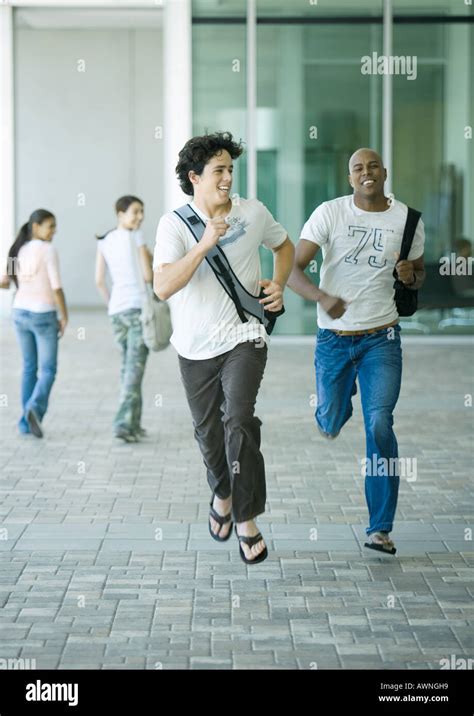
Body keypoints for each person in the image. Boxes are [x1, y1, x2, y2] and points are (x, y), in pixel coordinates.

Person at [153, 132, 294, 564]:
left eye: (231, 169)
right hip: (195, 346)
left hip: (245, 337)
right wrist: (204, 245)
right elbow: (162, 287)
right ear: (195, 177)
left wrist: (280, 283)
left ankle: (247, 518)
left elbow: (284, 246)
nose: (228, 177)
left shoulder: (253, 212)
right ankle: (221, 492)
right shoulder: (174, 224)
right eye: (219, 170)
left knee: (239, 419)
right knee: (208, 434)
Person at [287, 147, 425, 555]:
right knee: (329, 419)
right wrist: (322, 296)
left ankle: (379, 528)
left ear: (385, 172)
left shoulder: (407, 219)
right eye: (357, 168)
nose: (366, 173)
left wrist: (409, 276)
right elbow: (291, 269)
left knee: (379, 423)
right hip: (334, 338)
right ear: (350, 178)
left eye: (373, 166)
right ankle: (336, 408)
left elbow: (417, 278)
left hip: (381, 338)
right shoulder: (330, 213)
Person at [0, 209, 68, 438]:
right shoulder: (48, 250)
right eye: (51, 226)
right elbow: (56, 287)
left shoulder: (16, 249)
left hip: (19, 313)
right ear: (36, 226)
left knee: (29, 367)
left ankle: (25, 423)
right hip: (43, 315)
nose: (54, 231)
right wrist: (65, 316)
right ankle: (33, 411)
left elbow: (4, 283)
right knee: (48, 369)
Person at [95, 195, 152, 443]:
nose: (140, 217)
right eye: (135, 212)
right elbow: (149, 276)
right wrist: (149, 256)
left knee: (128, 368)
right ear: (120, 214)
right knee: (134, 370)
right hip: (137, 309)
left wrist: (111, 304)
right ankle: (121, 424)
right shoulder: (136, 237)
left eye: (142, 212)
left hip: (117, 311)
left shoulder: (104, 241)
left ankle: (134, 424)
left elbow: (98, 280)